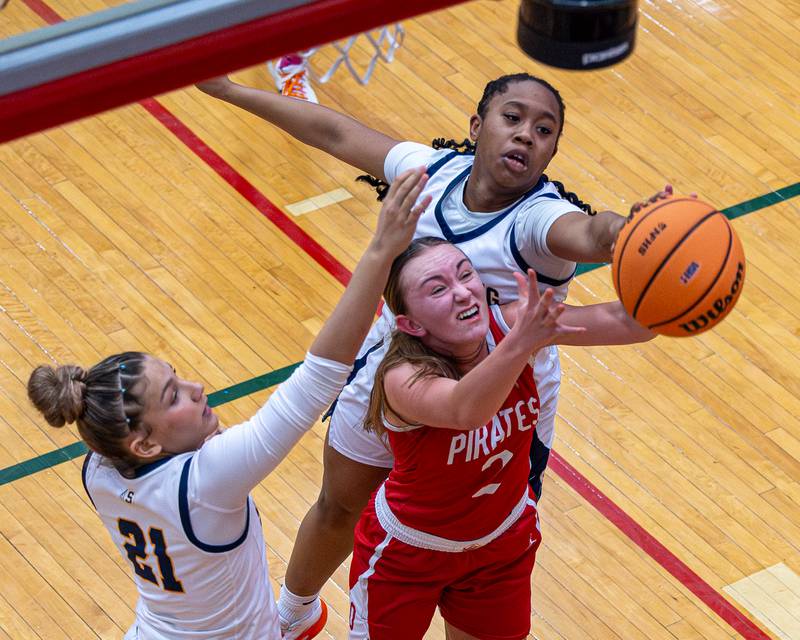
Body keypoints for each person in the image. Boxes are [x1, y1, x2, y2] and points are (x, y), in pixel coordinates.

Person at [196, 72, 669, 638]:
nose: (525, 136)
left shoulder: (539, 219)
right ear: (477, 127)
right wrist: (229, 92)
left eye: (544, 131)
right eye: (512, 119)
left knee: (478, 540)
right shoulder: (434, 171)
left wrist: (629, 230)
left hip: (498, 397)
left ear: (552, 151)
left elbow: (592, 234)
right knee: (338, 504)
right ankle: (293, 615)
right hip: (398, 370)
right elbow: (334, 131)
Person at [25, 169, 431, 640]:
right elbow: (319, 378)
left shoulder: (98, 467)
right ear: (145, 445)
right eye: (173, 396)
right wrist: (381, 250)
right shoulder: (207, 482)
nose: (196, 387)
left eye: (177, 376)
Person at [349, 237, 653, 639]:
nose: (462, 293)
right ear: (411, 324)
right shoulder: (402, 377)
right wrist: (523, 340)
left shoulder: (510, 325)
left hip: (500, 544)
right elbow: (466, 410)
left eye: (465, 274)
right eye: (438, 289)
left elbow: (630, 323)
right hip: (408, 553)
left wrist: (657, 254)